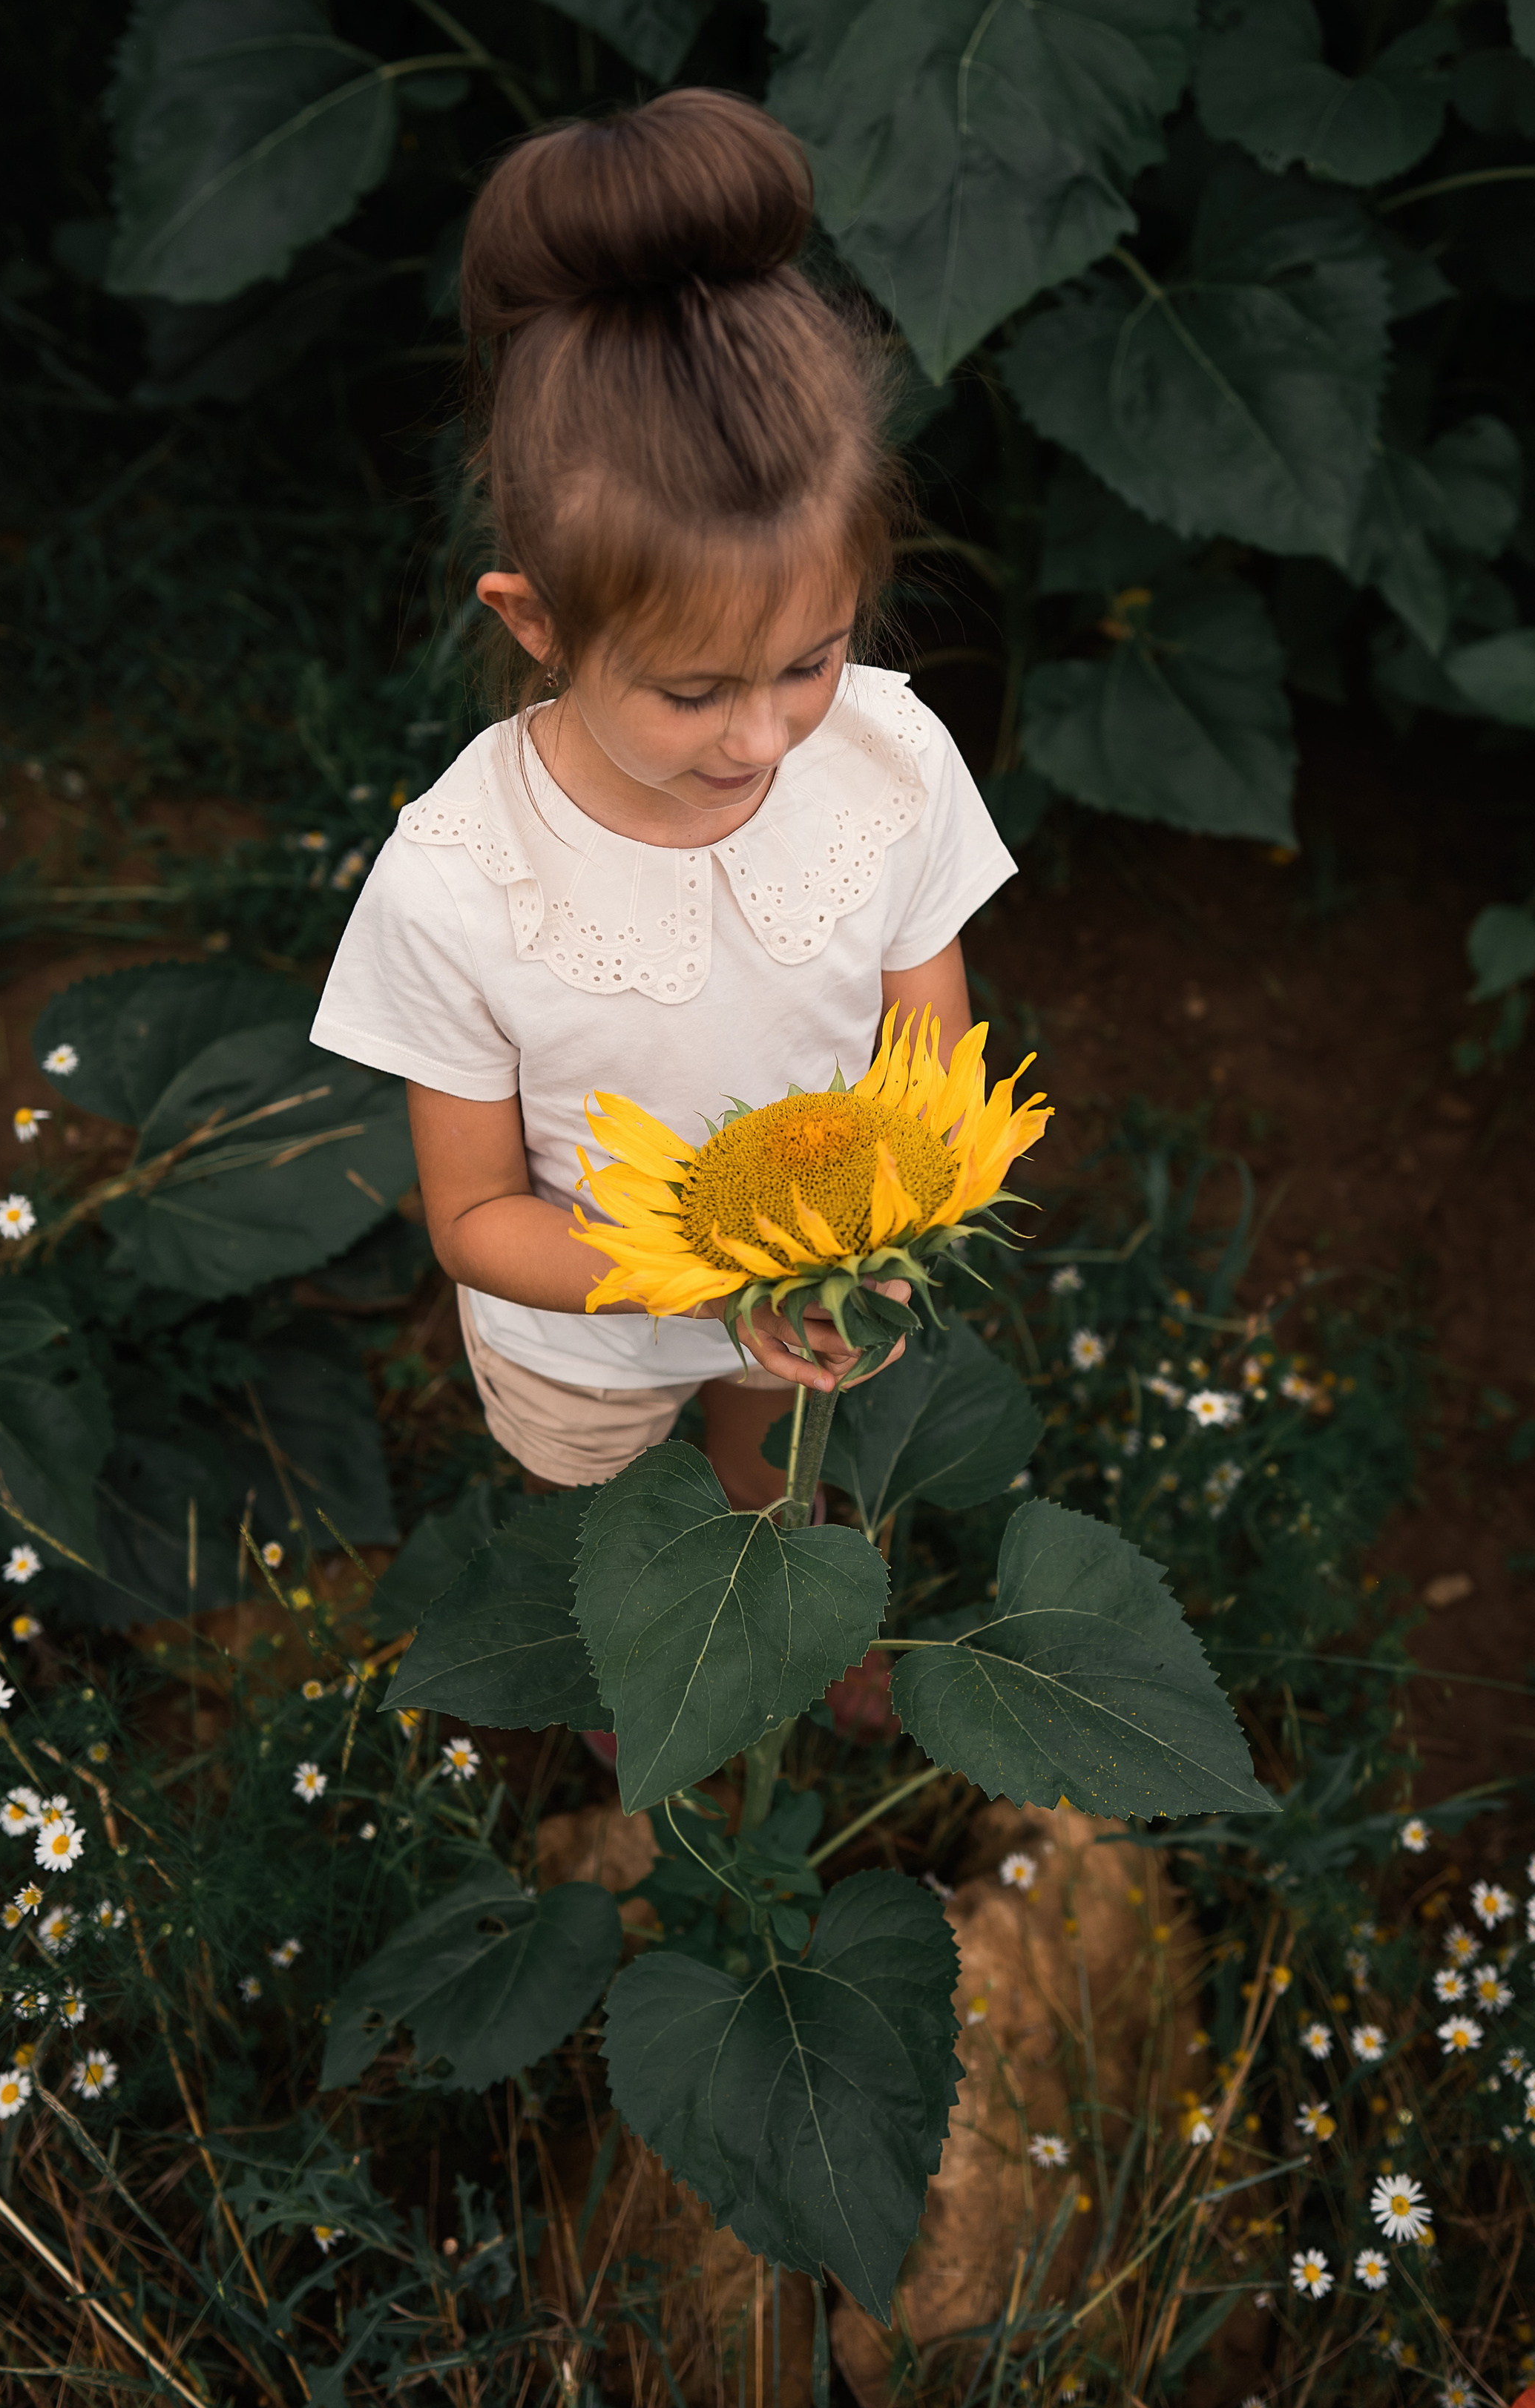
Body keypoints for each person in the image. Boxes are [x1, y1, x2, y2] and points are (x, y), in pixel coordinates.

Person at [312, 88, 1017, 1518]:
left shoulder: (886, 759)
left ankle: (777, 1604)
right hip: (589, 1319)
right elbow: (475, 1218)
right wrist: (703, 1286)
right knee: (617, 1540)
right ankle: (645, 1689)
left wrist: (866, 1247)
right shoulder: (462, 881)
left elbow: (925, 1057)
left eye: (813, 659)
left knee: (778, 1476)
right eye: (692, 693)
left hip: (823, 1273)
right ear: (536, 624)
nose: (762, 734)